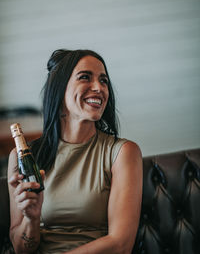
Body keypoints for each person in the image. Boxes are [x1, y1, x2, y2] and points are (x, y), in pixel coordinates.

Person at [8, 49, 143, 254]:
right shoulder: (23, 157)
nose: (99, 88)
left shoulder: (122, 152)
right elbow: (21, 249)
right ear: (59, 90)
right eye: (85, 77)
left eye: (104, 80)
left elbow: (120, 244)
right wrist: (32, 219)